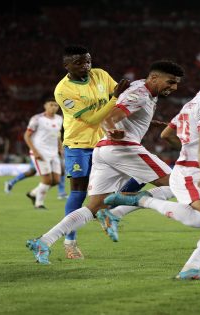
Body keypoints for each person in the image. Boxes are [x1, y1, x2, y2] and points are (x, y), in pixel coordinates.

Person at [26, 60, 185, 265]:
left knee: (93, 207)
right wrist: (112, 128)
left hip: (104, 150)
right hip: (122, 147)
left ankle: (44, 241)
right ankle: (116, 214)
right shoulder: (141, 94)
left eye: (176, 83)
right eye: (170, 82)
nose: (174, 87)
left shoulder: (140, 87)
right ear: (154, 78)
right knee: (177, 184)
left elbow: (122, 108)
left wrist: (143, 121)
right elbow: (110, 117)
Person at [103, 64, 200, 280]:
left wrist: (189, 149)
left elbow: (167, 134)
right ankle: (142, 200)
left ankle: (190, 270)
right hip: (195, 171)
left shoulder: (193, 104)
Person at [52, 45, 120, 259]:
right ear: (67, 66)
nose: (86, 66)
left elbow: (122, 97)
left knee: (114, 185)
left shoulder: (100, 75)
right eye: (79, 62)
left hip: (103, 143)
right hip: (78, 145)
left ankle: (104, 214)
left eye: (88, 60)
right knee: (79, 192)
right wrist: (115, 98)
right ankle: (70, 243)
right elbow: (91, 118)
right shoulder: (63, 90)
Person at [20, 99, 64, 209]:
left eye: (56, 105)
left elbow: (57, 135)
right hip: (40, 152)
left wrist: (60, 147)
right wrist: (34, 151)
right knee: (47, 180)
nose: (54, 107)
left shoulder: (59, 119)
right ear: (45, 106)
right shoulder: (37, 119)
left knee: (56, 180)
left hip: (53, 153)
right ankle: (39, 204)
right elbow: (27, 135)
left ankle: (33, 193)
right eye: (51, 105)